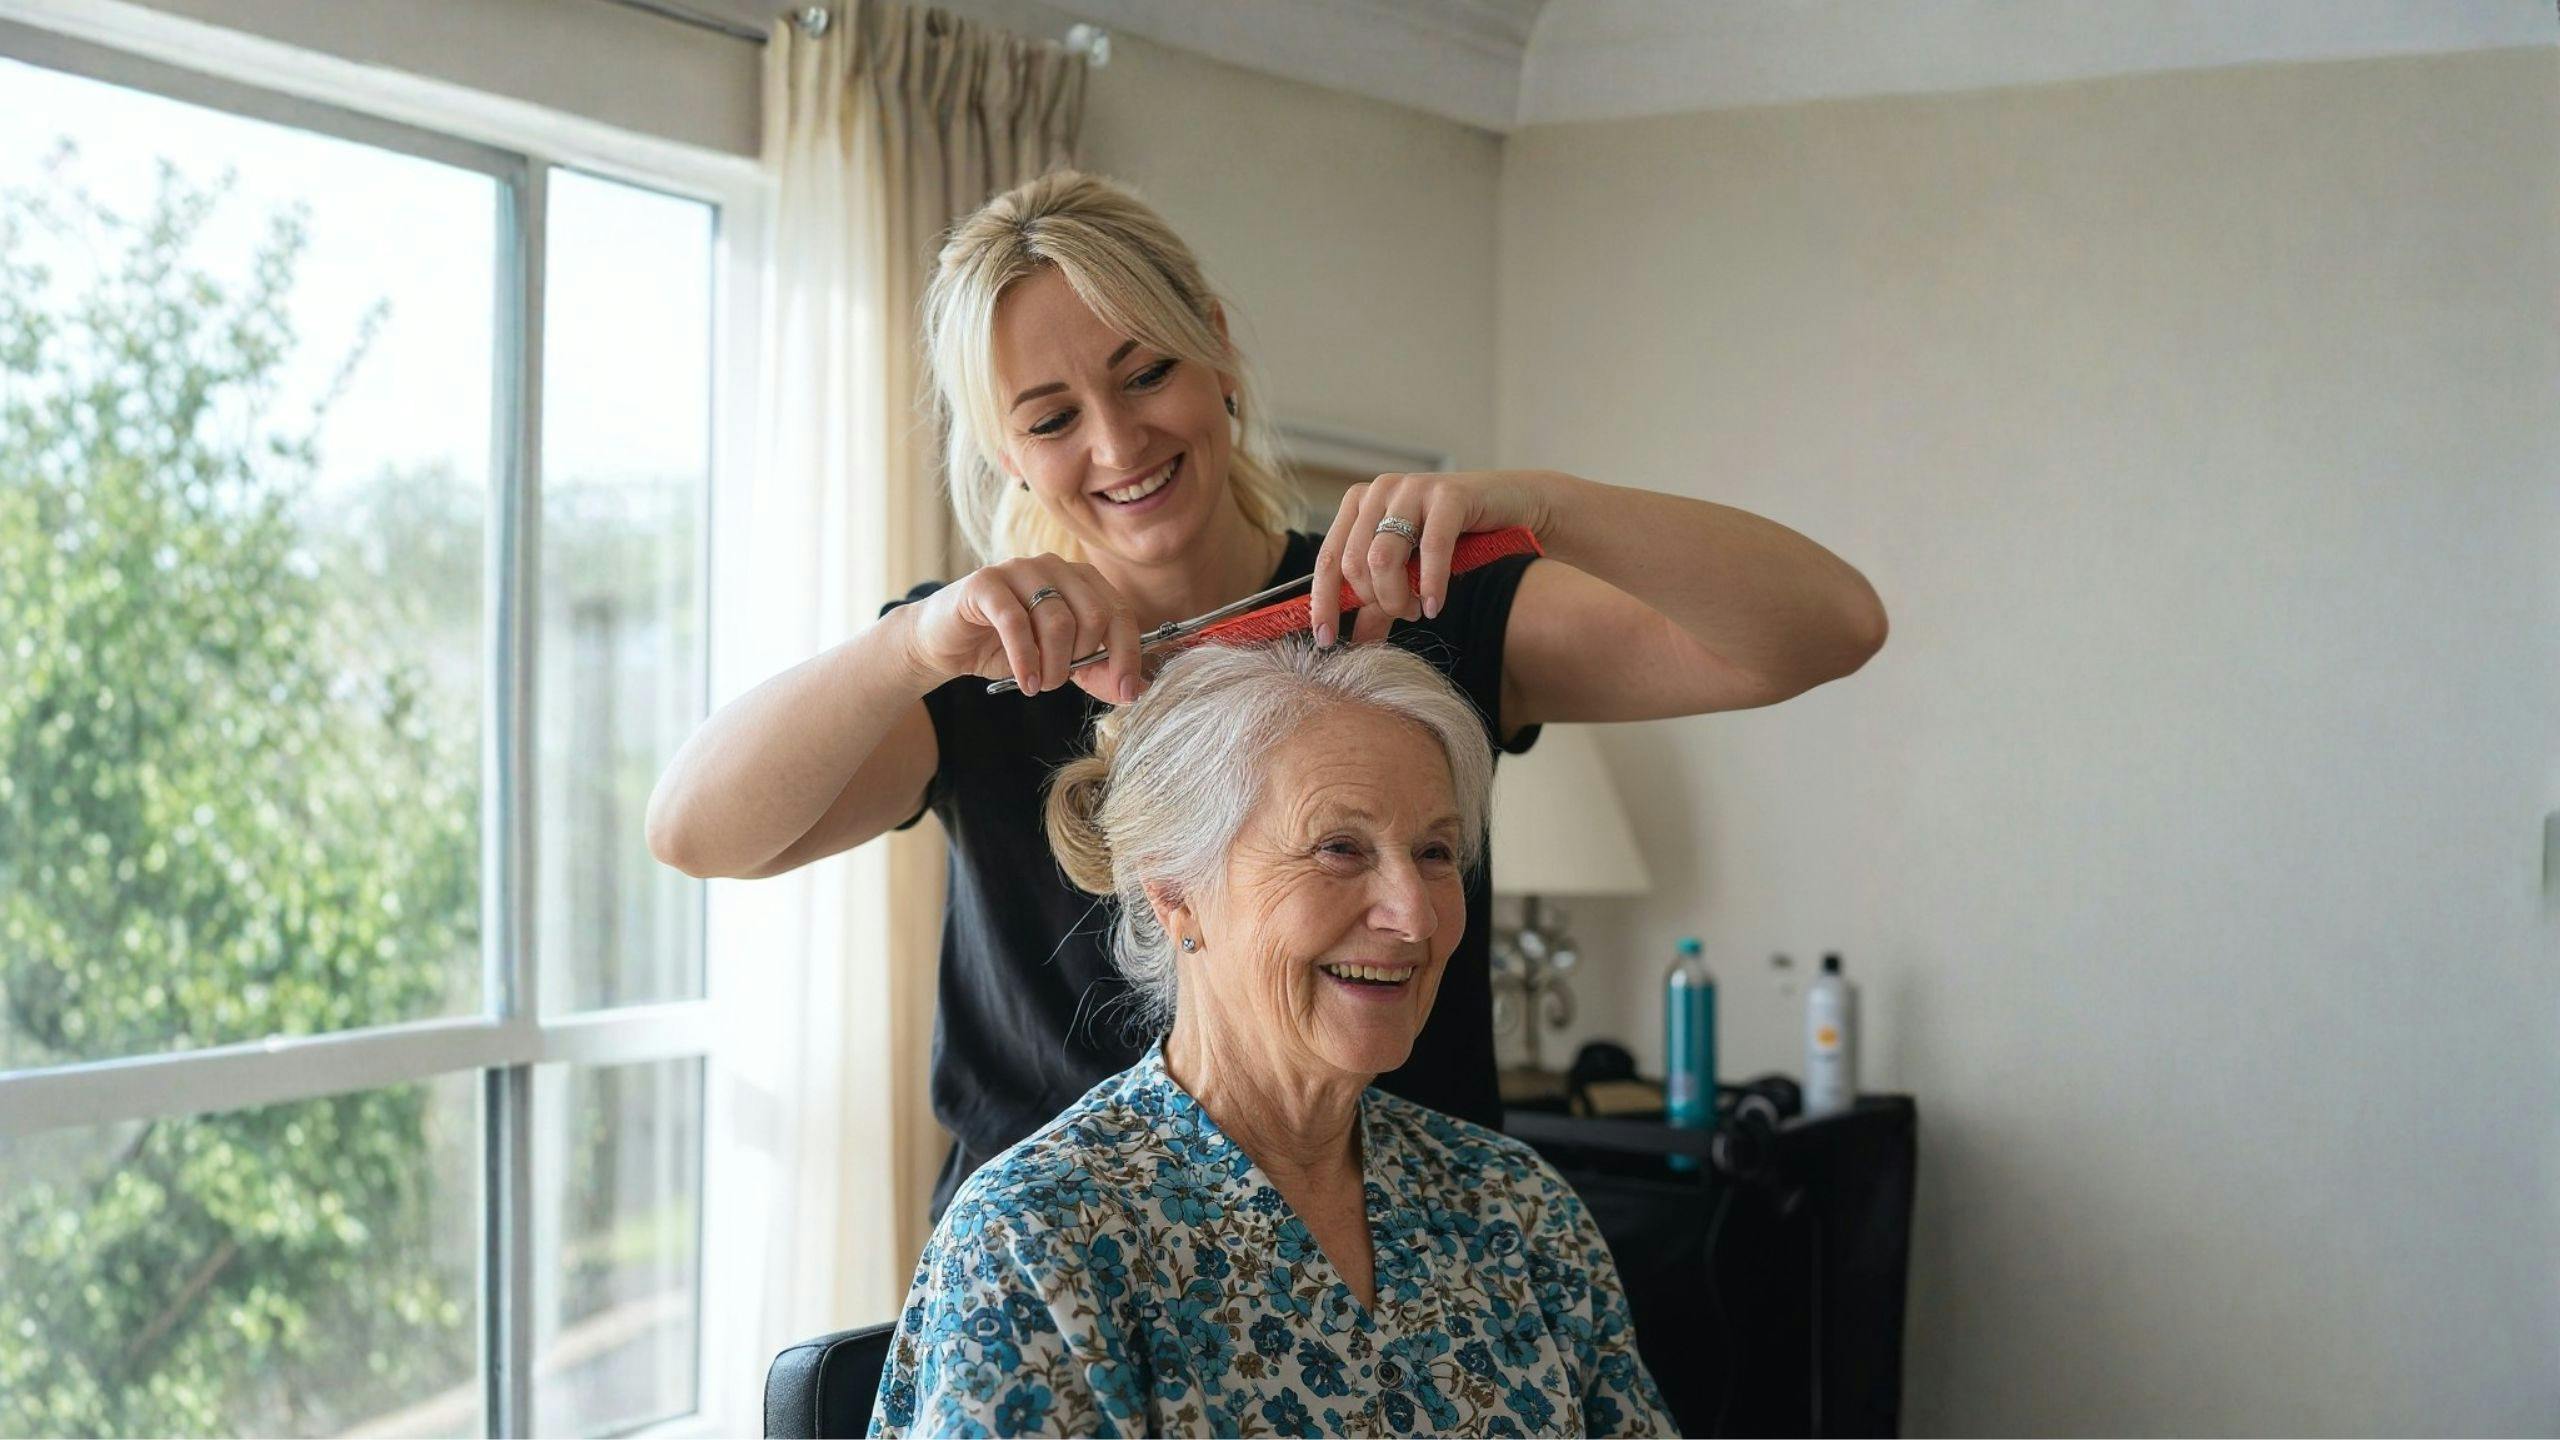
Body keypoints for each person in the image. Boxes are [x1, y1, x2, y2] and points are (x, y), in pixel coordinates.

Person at [644, 170, 1888, 1215]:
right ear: (1002, 449)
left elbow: (1824, 630)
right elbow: (694, 834)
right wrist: (906, 645)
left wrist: (1548, 508)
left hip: (1407, 1267)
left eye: (1144, 375)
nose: (1119, 446)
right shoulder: (976, 672)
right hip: (1071, 1288)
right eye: (1051, 417)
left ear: (1218, 345)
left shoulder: (1424, 607)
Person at [870, 638, 1677, 1438]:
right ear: (1176, 891)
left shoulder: (1515, 1206)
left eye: (1434, 852)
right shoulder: (1039, 1236)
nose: (1416, 914)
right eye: (1338, 848)